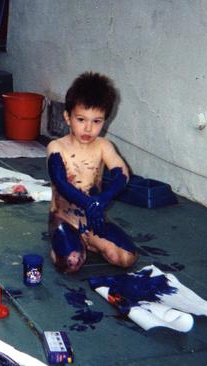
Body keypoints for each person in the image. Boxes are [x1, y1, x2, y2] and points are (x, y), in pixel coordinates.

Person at [47, 72, 138, 273]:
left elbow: (122, 174)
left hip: (93, 220)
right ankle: (62, 244)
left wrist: (103, 198)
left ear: (105, 120)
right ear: (67, 117)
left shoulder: (104, 146)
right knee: (71, 262)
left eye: (97, 121)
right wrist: (90, 203)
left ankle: (88, 242)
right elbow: (61, 182)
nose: (88, 128)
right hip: (65, 219)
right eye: (81, 119)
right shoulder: (56, 147)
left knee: (126, 258)